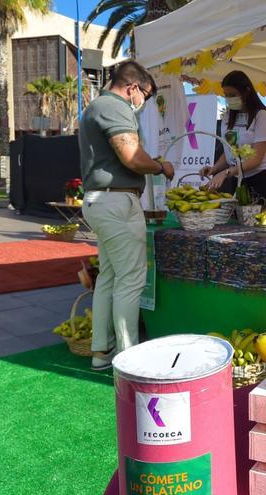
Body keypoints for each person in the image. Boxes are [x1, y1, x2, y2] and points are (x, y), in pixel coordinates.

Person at [79, 61, 174, 370]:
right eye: (144, 94)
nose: (143, 102)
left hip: (101, 201)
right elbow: (132, 157)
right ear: (133, 88)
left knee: (109, 276)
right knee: (131, 280)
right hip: (116, 202)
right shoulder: (115, 107)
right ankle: (129, 357)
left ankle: (101, 351)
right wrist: (161, 166)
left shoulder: (96, 107)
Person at [199, 70, 266, 203]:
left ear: (247, 91)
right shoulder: (227, 117)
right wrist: (214, 169)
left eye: (233, 95)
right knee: (240, 220)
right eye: (226, 95)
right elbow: (229, 152)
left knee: (261, 221)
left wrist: (225, 173)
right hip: (239, 179)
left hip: (263, 179)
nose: (229, 99)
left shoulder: (261, 116)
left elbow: (256, 159)